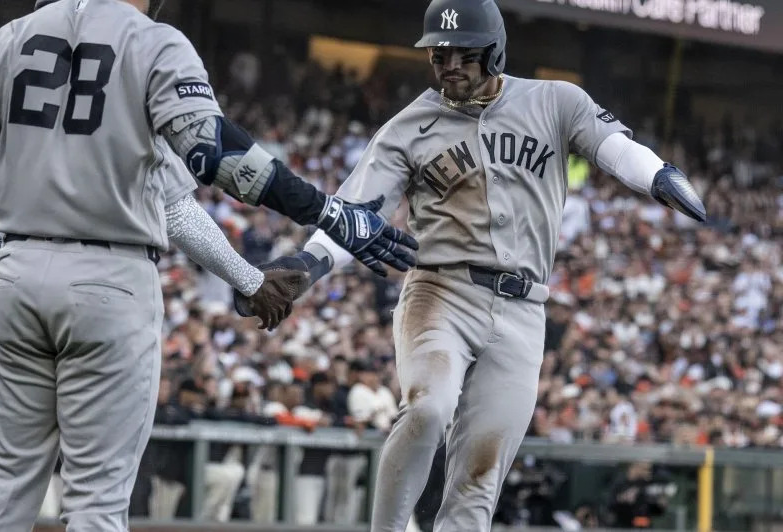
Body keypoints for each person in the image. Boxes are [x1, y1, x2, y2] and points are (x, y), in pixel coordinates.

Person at [265, 0, 706, 530]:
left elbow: (612, 146)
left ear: (494, 50)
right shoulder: (409, 127)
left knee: (481, 472)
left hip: (524, 309)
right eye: (439, 54)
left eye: (462, 53)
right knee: (427, 409)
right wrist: (309, 264)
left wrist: (657, 174)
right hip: (440, 293)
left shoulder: (553, 100)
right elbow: (357, 214)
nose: (448, 63)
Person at [0, 1, 416, 530]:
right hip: (108, 276)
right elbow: (219, 159)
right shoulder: (152, 41)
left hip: (15, 273)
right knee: (96, 501)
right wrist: (327, 210)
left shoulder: (11, 39)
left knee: (1, 493)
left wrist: (251, 278)